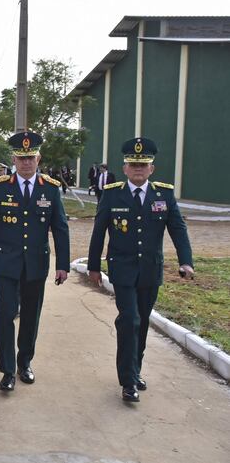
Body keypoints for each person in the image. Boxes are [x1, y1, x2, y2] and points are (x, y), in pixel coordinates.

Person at [87, 137, 194, 403]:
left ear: (151, 169)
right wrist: (93, 266)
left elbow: (178, 229)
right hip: (122, 269)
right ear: (124, 168)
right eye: (133, 164)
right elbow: (99, 231)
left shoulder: (163, 194)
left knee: (142, 322)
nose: (138, 169)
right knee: (130, 320)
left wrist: (186, 261)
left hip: (150, 270)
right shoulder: (113, 194)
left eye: (143, 165)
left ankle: (135, 370)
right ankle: (128, 381)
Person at [0, 131, 70, 393]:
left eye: (31, 158)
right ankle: (7, 370)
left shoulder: (50, 188)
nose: (26, 163)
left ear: (38, 158)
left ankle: (24, 362)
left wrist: (63, 264)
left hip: (36, 264)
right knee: (5, 313)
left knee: (31, 316)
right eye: (21, 158)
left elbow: (60, 228)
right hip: (6, 263)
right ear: (14, 160)